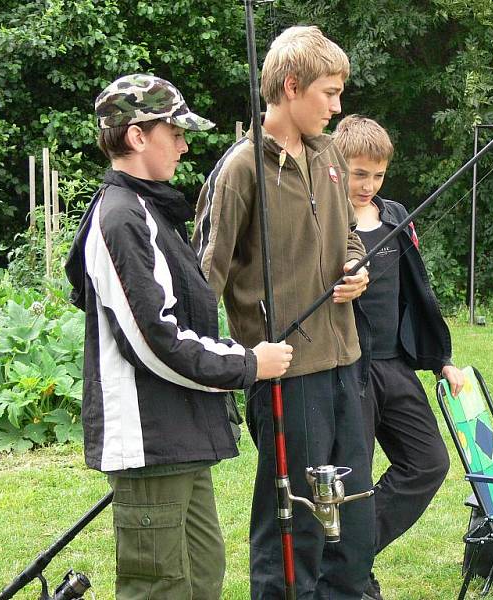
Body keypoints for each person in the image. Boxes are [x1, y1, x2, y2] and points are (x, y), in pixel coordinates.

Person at [64, 74, 293, 600]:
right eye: (175, 132)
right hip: (150, 440)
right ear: (137, 136)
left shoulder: (149, 211)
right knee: (160, 588)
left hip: (181, 434)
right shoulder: (119, 218)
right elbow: (154, 338)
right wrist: (246, 364)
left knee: (202, 577)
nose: (185, 145)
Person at [192, 27, 374, 599]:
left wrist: (356, 268)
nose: (338, 106)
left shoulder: (330, 157)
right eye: (329, 93)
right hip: (284, 373)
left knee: (352, 517)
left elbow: (350, 241)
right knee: (292, 525)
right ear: (291, 87)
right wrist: (219, 366)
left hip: (346, 359)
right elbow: (205, 276)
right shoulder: (240, 169)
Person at [332, 115, 465, 600]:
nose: (368, 185)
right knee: (356, 479)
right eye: (358, 173)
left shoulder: (395, 217)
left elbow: (418, 291)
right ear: (337, 167)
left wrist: (441, 359)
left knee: (428, 463)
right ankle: (352, 578)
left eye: (378, 175)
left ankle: (351, 558)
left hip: (396, 366)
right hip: (347, 371)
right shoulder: (322, 220)